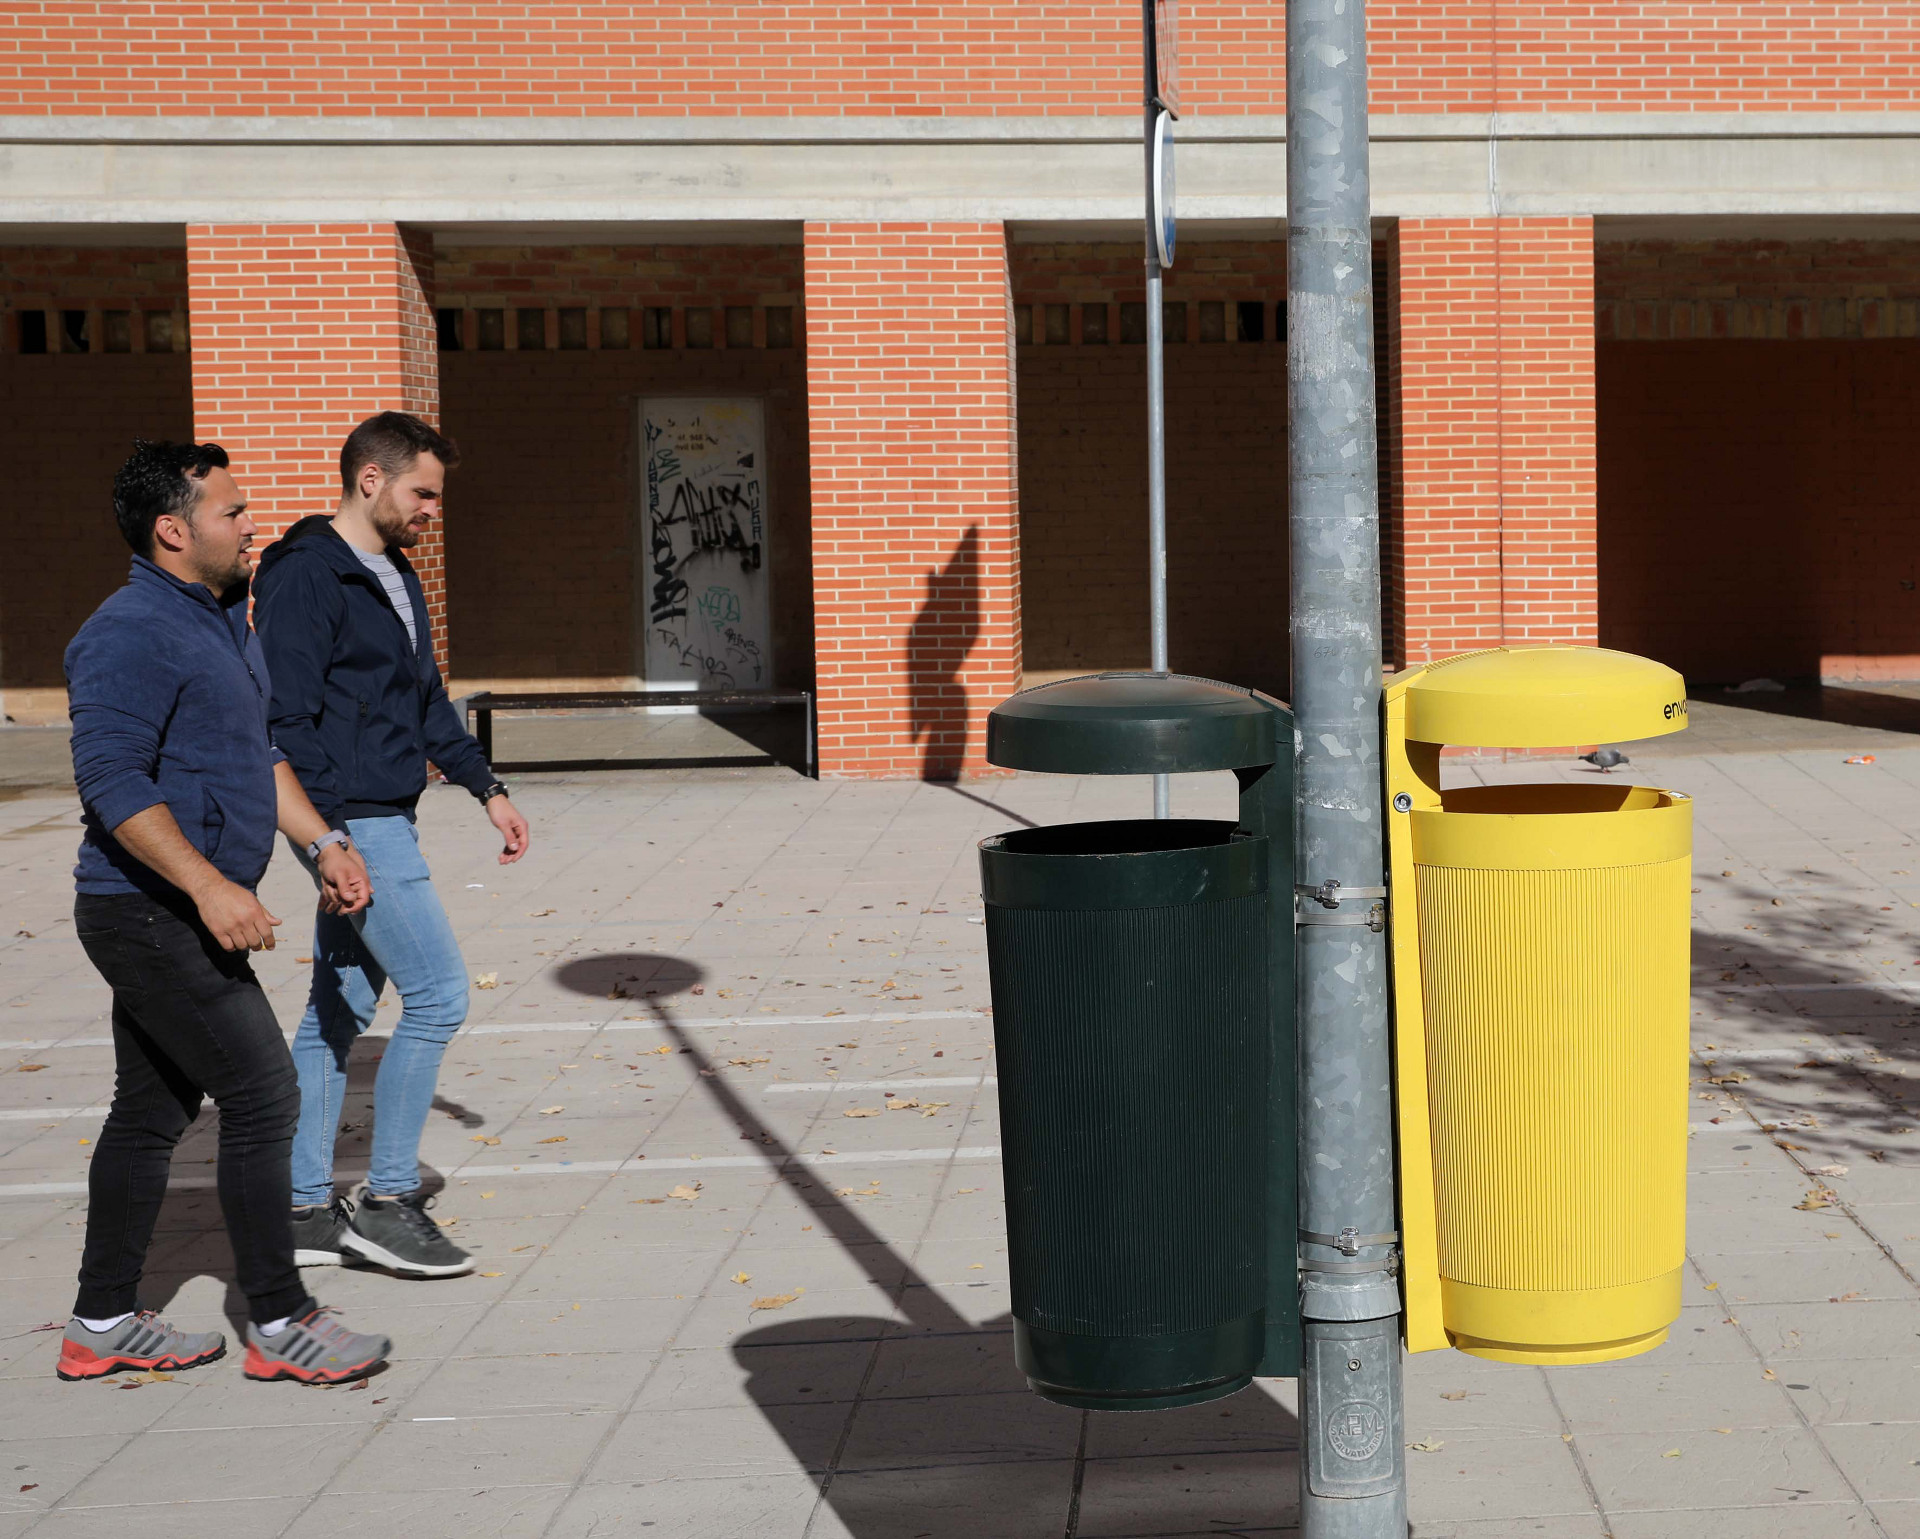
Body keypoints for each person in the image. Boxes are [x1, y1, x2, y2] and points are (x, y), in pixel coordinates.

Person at [60, 439, 392, 1385]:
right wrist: (209, 884)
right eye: (232, 512)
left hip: (170, 911)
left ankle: (102, 1320)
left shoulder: (220, 619)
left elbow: (259, 755)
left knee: (149, 1111)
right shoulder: (129, 630)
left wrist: (323, 842)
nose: (251, 524)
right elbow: (111, 778)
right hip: (148, 912)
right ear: (174, 529)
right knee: (263, 1097)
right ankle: (281, 1323)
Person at [254, 411, 530, 1279]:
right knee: (441, 994)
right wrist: (331, 840)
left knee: (338, 1009)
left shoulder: (394, 573)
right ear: (370, 479)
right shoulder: (306, 575)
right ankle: (386, 1200)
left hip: (381, 813)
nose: (430, 511)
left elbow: (427, 700)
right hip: (350, 820)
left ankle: (300, 1209)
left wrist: (488, 787)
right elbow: (283, 720)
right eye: (422, 492)